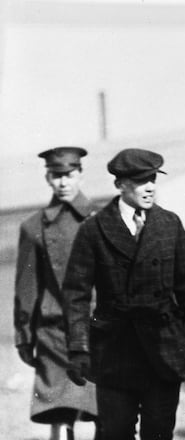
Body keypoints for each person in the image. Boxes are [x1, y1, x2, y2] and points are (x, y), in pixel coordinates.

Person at [62, 148, 185, 440]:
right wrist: (78, 349)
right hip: (114, 352)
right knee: (115, 432)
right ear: (120, 185)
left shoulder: (169, 224)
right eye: (140, 181)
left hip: (165, 350)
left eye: (153, 179)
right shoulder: (93, 229)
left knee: (159, 433)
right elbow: (76, 295)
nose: (150, 187)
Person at [14, 147, 98, 440]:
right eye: (57, 176)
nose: (64, 183)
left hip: (99, 331)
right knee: (60, 413)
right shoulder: (33, 227)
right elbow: (27, 288)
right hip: (54, 333)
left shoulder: (101, 221)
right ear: (48, 178)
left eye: (69, 175)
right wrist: (24, 336)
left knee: (112, 411)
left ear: (81, 175)